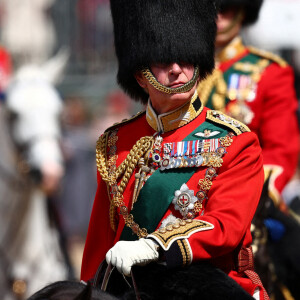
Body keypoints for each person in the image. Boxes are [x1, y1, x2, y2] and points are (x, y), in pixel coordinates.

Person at [81, 0, 268, 299]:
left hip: (210, 285)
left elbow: (225, 227)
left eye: (185, 58)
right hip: (130, 288)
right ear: (141, 76)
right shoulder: (115, 142)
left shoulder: (236, 141)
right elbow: (100, 242)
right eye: (163, 61)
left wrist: (155, 245)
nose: (177, 69)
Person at [197, 0, 299, 210]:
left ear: (242, 11)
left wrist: (249, 198)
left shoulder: (269, 72)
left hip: (242, 199)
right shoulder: (182, 70)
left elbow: (280, 150)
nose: (218, 17)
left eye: (225, 9)